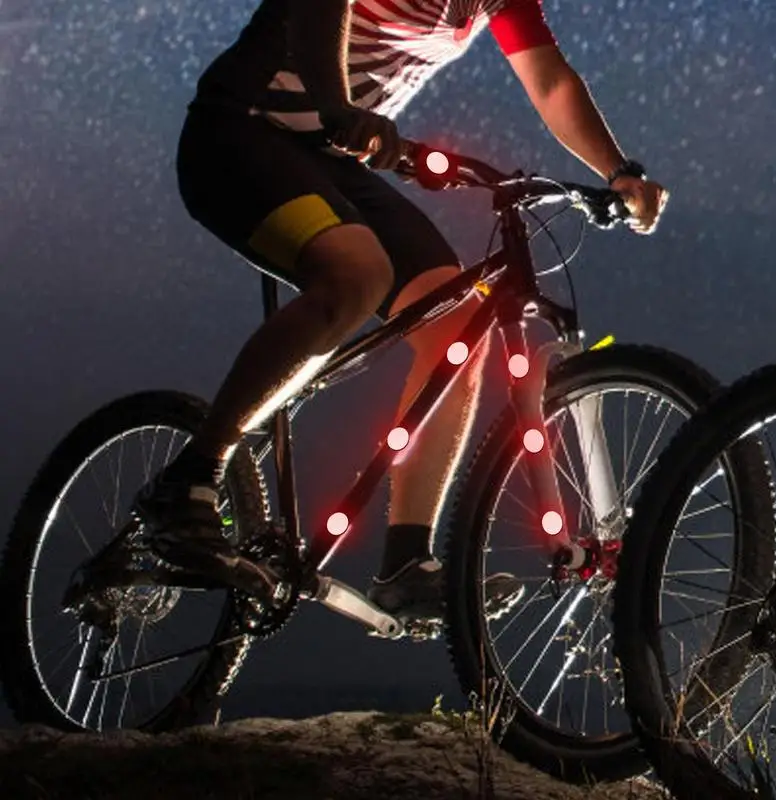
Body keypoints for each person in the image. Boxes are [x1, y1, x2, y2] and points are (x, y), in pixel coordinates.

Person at [133, 0, 669, 621]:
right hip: (241, 133)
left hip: (329, 159)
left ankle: (408, 565)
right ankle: (190, 478)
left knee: (457, 327)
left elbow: (550, 81)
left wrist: (618, 172)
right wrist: (338, 107)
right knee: (357, 277)